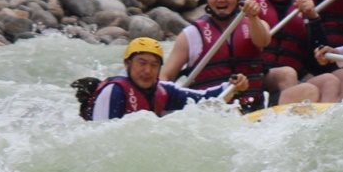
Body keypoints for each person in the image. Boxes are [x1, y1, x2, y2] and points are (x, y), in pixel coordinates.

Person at [161, 0, 269, 113]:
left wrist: (253, 17)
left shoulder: (254, 24)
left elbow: (263, 42)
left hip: (252, 109)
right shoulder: (191, 35)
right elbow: (166, 76)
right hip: (210, 112)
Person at [88, 37, 248, 120]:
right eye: (142, 63)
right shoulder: (114, 91)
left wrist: (232, 86)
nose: (148, 70)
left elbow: (203, 99)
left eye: (154, 65)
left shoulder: (163, 91)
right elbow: (100, 137)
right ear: (127, 64)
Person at [245, 0, 326, 103]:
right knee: (287, 74)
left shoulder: (305, 4)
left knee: (329, 80)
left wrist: (313, 18)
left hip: (297, 72)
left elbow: (319, 52)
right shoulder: (249, 3)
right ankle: (289, 111)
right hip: (259, 75)